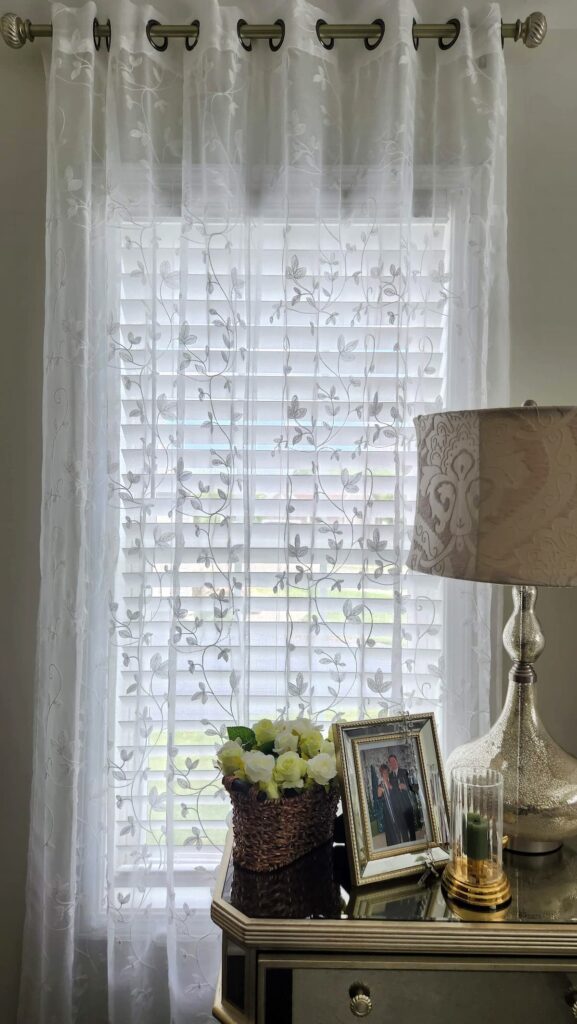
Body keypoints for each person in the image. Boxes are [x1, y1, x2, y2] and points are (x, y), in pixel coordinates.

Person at [387, 753, 417, 842]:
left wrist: (406, 787)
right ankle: (407, 848)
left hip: (407, 804)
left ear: (397, 761)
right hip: (398, 807)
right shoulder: (389, 776)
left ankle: (414, 844)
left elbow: (412, 787)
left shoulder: (404, 772)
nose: (393, 763)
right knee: (403, 829)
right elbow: (391, 791)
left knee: (411, 827)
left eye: (394, 761)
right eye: (391, 762)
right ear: (389, 764)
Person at [375, 763, 402, 847]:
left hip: (395, 810)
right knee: (390, 831)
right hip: (387, 812)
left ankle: (400, 845)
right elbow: (379, 802)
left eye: (387, 772)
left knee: (397, 829)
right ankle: (392, 848)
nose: (385, 774)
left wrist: (392, 788)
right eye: (384, 773)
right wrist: (379, 794)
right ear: (381, 774)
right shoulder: (380, 786)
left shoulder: (392, 783)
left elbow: (397, 796)